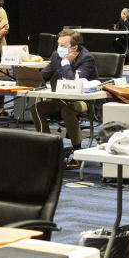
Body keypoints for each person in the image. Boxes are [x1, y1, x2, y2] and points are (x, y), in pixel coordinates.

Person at [32, 28, 97, 169]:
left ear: (74, 48)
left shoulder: (87, 58)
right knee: (37, 108)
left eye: (63, 46)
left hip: (85, 101)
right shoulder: (56, 55)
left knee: (68, 111)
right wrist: (29, 78)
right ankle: (48, 148)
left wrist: (66, 63)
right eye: (58, 44)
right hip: (62, 98)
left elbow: (73, 82)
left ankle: (78, 153)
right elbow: (45, 74)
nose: (59, 49)